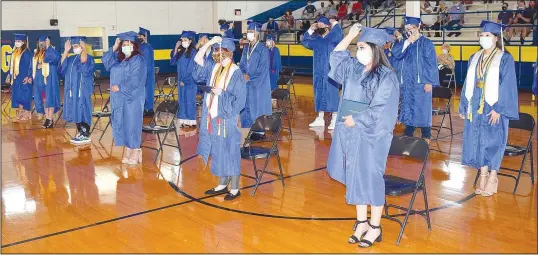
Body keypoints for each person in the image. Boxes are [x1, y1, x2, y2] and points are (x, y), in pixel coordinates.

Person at [327, 24, 399, 248]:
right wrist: (349, 36)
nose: (358, 51)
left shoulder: (387, 77)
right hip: (351, 133)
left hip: (372, 135)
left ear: (375, 49)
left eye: (362, 47)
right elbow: (337, 57)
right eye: (357, 47)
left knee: (371, 178)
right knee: (354, 177)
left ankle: (375, 227)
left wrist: (356, 120)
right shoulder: (353, 69)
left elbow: (381, 108)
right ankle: (361, 223)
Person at [458, 21, 519, 197]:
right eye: (482, 35)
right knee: (478, 141)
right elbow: (467, 84)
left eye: (488, 36)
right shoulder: (474, 57)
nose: (484, 38)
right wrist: (464, 105)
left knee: (493, 141)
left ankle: (493, 177)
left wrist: (499, 109)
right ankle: (482, 176)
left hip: (493, 107)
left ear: (496, 38)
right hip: (476, 106)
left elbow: (508, 86)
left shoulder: (504, 58)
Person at [193, 36, 247, 201]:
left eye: (221, 51)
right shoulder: (214, 68)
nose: (218, 54)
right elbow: (198, 59)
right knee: (218, 151)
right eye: (216, 51)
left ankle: (235, 188)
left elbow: (240, 100)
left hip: (227, 118)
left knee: (230, 151)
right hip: (213, 116)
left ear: (229, 53)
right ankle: (222, 184)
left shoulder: (236, 72)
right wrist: (209, 43)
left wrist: (221, 94)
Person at [392, 16, 439, 143]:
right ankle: (408, 132)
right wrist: (407, 42)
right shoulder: (403, 42)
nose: (409, 30)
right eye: (406, 28)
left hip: (421, 82)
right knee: (408, 106)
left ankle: (426, 135)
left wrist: (429, 81)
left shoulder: (426, 43)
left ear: (418, 27)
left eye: (412, 28)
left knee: (423, 108)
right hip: (407, 82)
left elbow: (431, 63)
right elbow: (396, 55)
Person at [102, 31, 147, 165]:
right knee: (122, 123)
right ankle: (128, 148)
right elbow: (106, 62)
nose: (125, 46)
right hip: (119, 98)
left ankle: (136, 149)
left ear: (134, 45)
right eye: (123, 44)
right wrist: (114, 47)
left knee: (132, 123)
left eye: (128, 44)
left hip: (132, 97)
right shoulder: (119, 59)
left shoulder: (137, 60)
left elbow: (136, 80)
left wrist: (121, 87)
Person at [301, 16, 343, 130]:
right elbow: (304, 42)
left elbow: (339, 35)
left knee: (332, 94)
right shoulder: (316, 39)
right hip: (318, 72)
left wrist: (335, 24)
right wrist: (310, 29)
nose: (319, 26)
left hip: (331, 71)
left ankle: (335, 118)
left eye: (321, 25)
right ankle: (320, 118)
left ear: (327, 26)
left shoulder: (333, 38)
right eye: (318, 25)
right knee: (319, 93)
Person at [60, 36, 95, 144]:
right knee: (76, 109)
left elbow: (84, 63)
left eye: (77, 46)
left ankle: (85, 133)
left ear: (82, 46)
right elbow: (62, 67)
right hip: (72, 90)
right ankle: (80, 132)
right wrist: (66, 50)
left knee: (83, 109)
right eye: (73, 46)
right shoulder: (71, 58)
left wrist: (84, 49)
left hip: (82, 90)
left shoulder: (88, 57)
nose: (75, 48)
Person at [239, 22, 272, 138]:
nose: (249, 34)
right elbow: (242, 64)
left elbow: (263, 69)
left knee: (258, 106)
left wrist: (250, 78)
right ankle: (248, 129)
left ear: (257, 33)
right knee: (246, 106)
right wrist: (243, 74)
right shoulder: (246, 49)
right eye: (248, 32)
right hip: (246, 83)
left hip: (258, 84)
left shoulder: (263, 50)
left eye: (251, 32)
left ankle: (259, 131)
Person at [32, 35, 61, 128]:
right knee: (44, 100)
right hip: (40, 81)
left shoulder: (53, 51)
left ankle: (49, 119)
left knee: (50, 99)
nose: (42, 44)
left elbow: (54, 58)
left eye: (44, 43)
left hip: (50, 80)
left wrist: (48, 47)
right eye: (41, 43)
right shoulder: (37, 54)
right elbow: (32, 66)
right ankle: (47, 117)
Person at [171, 31, 198, 128]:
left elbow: (191, 68)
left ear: (190, 41)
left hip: (189, 81)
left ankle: (190, 120)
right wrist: (175, 48)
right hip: (181, 81)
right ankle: (182, 119)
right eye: (182, 40)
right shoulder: (181, 52)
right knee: (182, 99)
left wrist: (184, 80)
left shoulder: (193, 53)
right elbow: (173, 62)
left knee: (189, 100)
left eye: (185, 40)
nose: (183, 42)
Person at [6, 34, 33, 122]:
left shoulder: (26, 52)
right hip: (16, 78)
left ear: (23, 42)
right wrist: (9, 75)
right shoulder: (15, 52)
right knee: (19, 95)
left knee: (25, 95)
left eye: (19, 41)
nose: (17, 42)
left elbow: (30, 65)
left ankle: (27, 112)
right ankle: (21, 111)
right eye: (16, 41)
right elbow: (11, 65)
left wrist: (29, 76)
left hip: (24, 77)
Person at [138, 27, 156, 117]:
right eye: (139, 35)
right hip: (142, 74)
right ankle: (145, 108)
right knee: (143, 92)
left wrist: (143, 74)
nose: (139, 37)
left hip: (146, 74)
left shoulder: (147, 48)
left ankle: (149, 109)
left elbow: (147, 64)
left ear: (145, 37)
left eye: (141, 36)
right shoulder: (140, 47)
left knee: (148, 91)